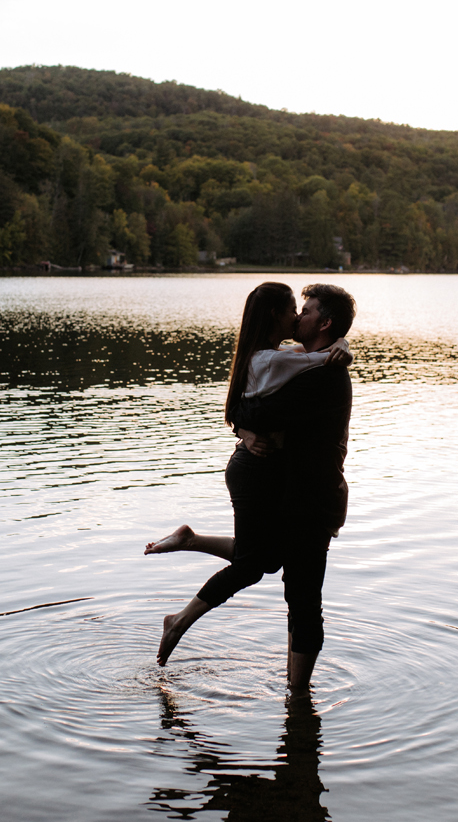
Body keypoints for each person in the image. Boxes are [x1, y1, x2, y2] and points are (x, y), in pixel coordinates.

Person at [146, 282, 356, 690]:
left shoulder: (324, 373)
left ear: (325, 322)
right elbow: (247, 409)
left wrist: (243, 423)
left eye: (308, 310)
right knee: (276, 575)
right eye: (297, 308)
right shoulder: (305, 360)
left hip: (311, 501)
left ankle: (297, 697)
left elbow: (254, 409)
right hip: (294, 495)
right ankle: (298, 711)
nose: (299, 316)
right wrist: (242, 426)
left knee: (296, 594)